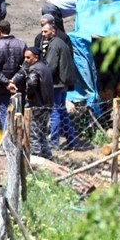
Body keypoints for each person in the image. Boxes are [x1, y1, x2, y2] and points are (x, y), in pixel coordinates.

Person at [9, 47, 54, 160]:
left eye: (28, 57)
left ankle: (37, 159)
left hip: (36, 106)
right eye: (25, 57)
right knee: (43, 135)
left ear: (36, 57)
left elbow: (32, 84)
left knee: (34, 136)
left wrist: (29, 96)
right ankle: (48, 157)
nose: (26, 60)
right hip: (46, 106)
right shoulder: (45, 67)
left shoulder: (34, 69)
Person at [41, 19, 79, 149]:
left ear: (53, 30)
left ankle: (54, 142)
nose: (43, 34)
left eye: (46, 31)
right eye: (42, 31)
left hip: (57, 84)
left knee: (55, 113)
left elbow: (51, 66)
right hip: (63, 84)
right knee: (62, 112)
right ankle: (71, 140)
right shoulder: (60, 43)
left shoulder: (54, 45)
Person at [0, 19, 27, 132]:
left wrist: (6, 82)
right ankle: (19, 139)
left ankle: (7, 142)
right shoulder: (21, 45)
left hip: (1, 87)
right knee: (19, 112)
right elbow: (26, 66)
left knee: (4, 112)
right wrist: (14, 80)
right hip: (18, 86)